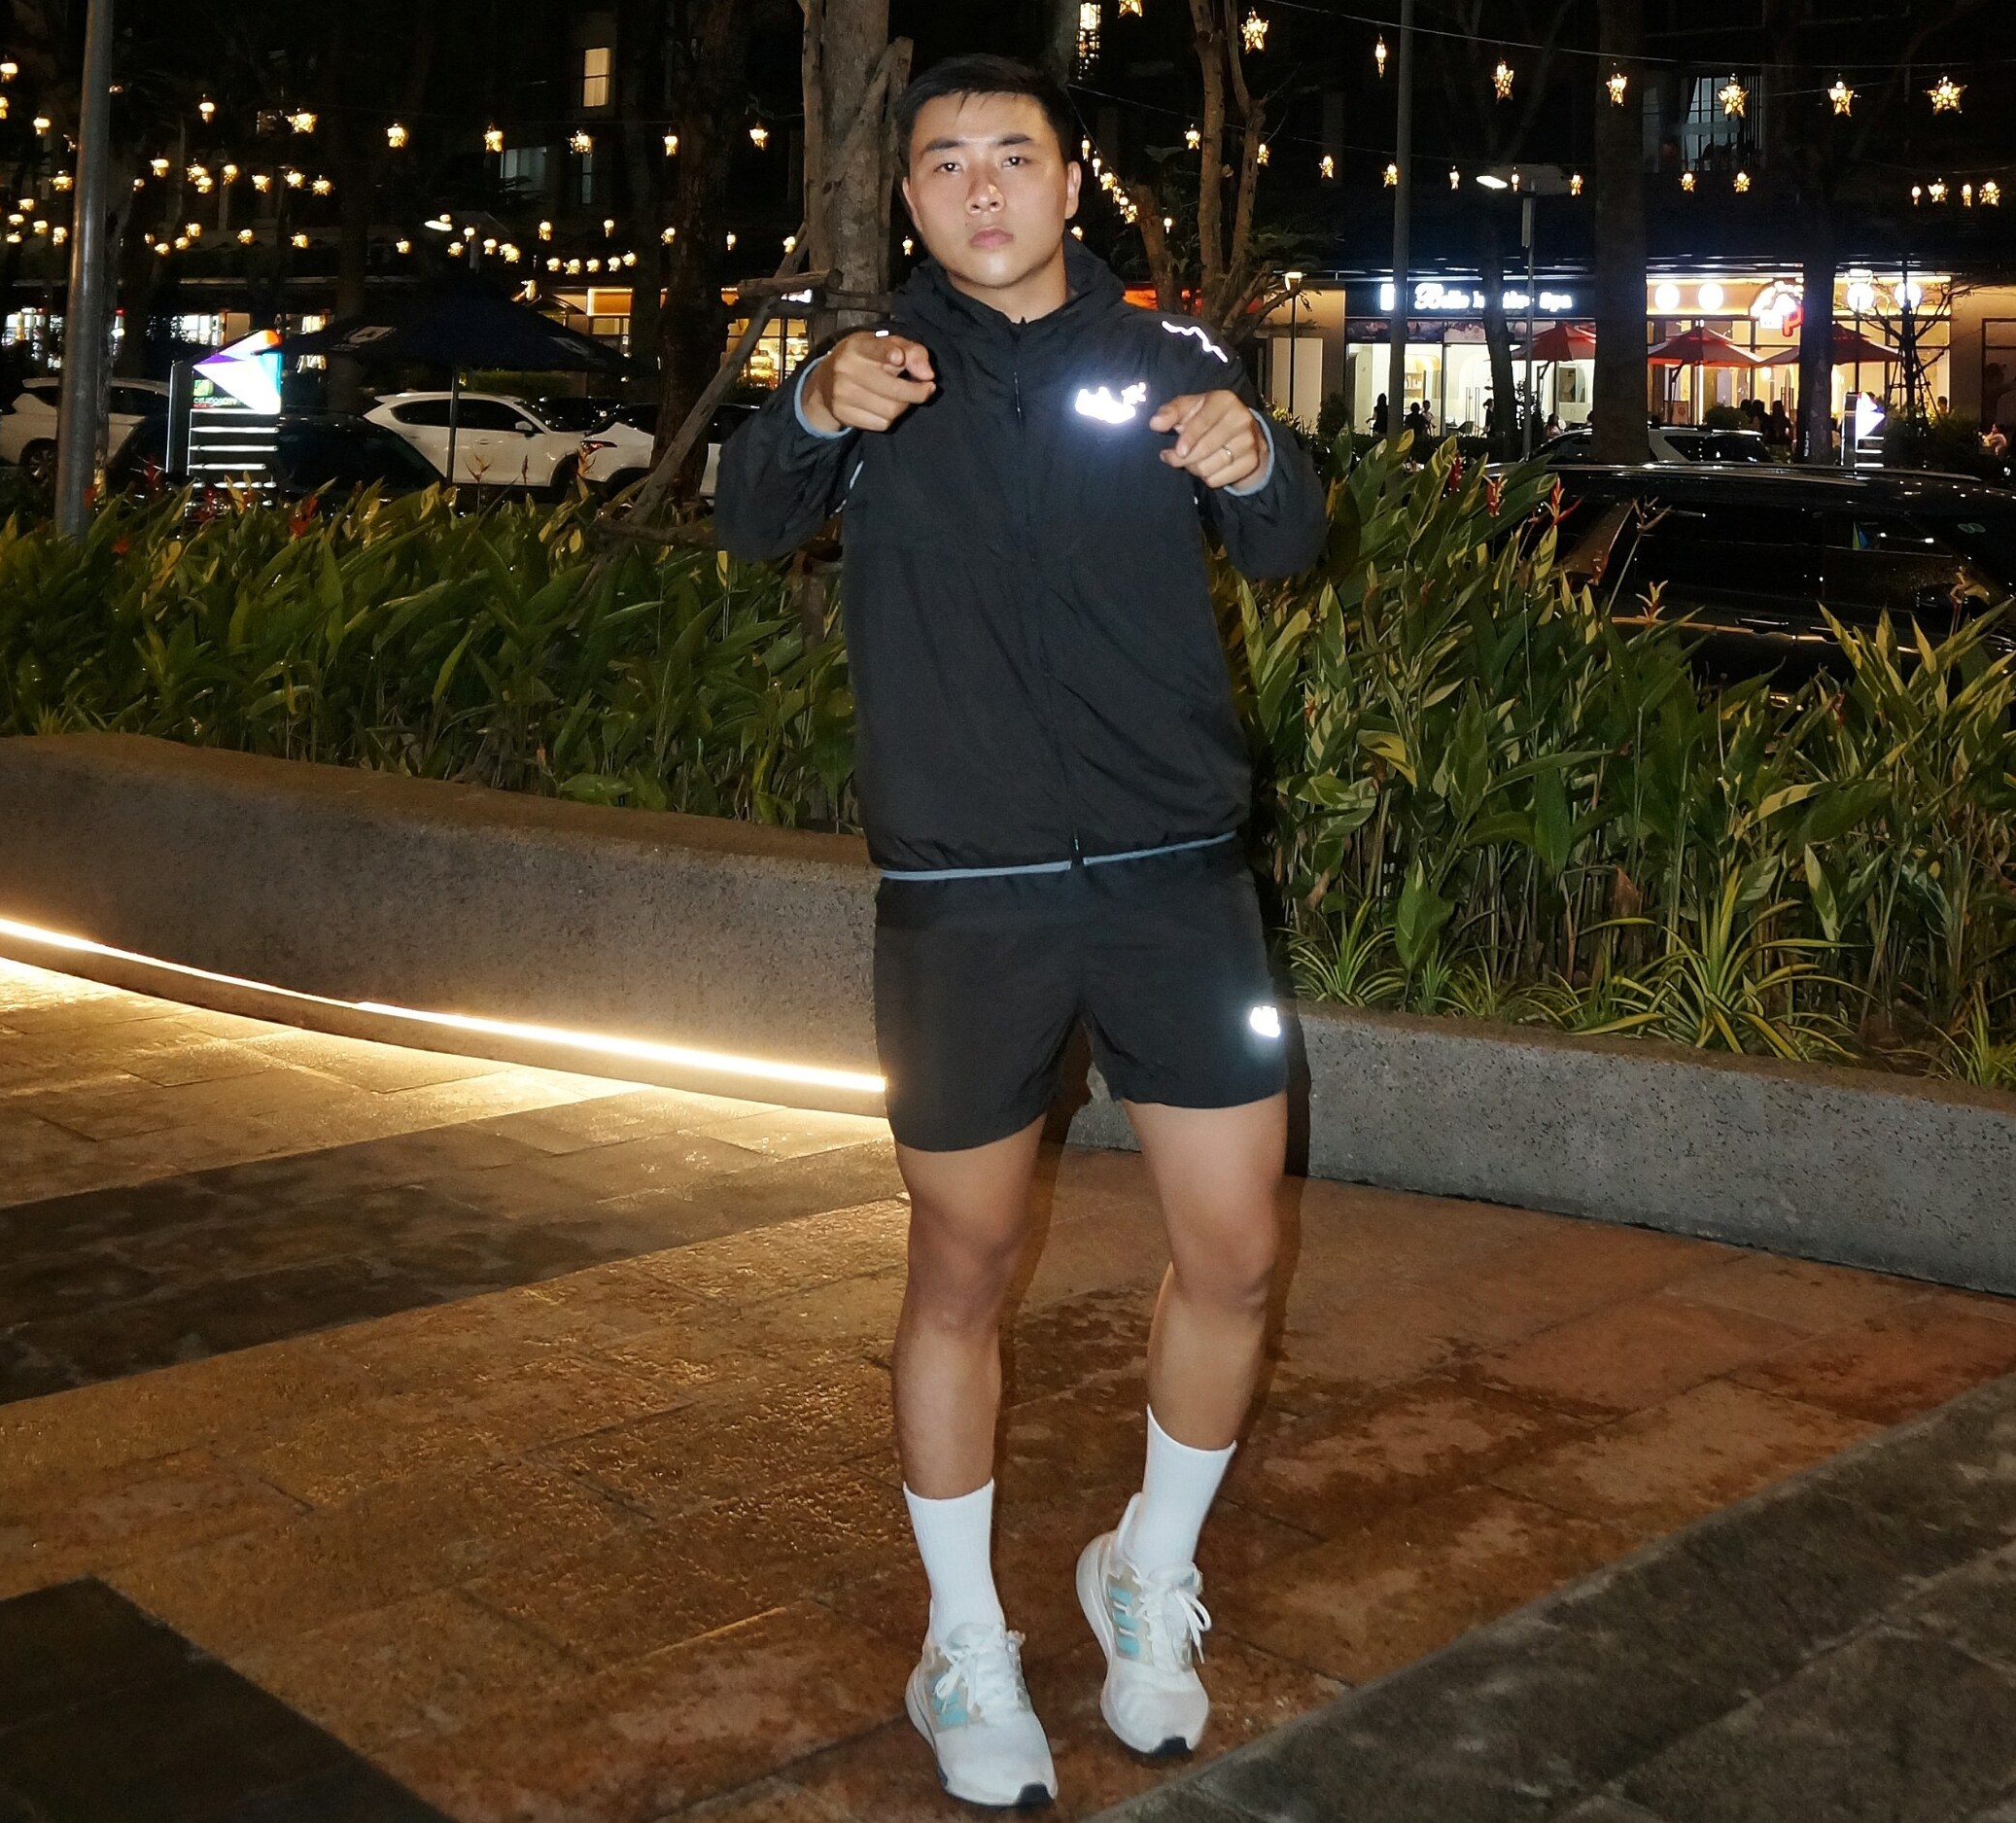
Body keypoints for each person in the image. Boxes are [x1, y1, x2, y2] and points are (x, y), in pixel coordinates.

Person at [716, 54, 1326, 1811]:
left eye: (1013, 156)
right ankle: (963, 1636)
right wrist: (811, 406)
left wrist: (1258, 457)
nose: (981, 188)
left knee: (1237, 1251)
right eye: (945, 163)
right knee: (964, 1262)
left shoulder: (1169, 356)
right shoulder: (875, 375)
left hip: (1176, 881)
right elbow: (747, 517)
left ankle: (1147, 1568)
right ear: (907, 198)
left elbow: (1289, 540)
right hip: (966, 900)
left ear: (1070, 186)